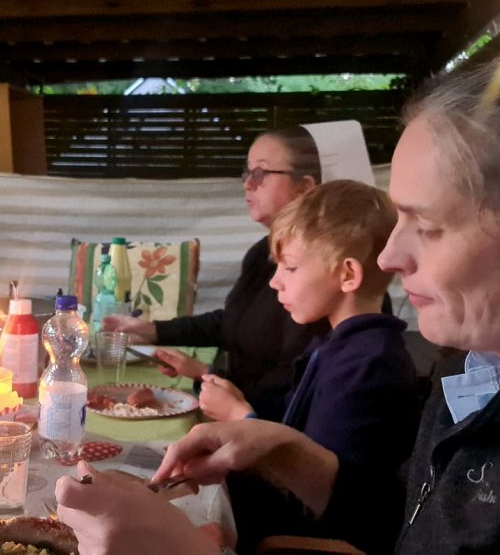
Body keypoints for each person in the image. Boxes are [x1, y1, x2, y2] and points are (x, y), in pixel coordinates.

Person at [56, 31, 500, 555]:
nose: (389, 257)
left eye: (429, 226)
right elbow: (406, 525)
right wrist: (283, 448)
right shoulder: (482, 371)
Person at [204, 179, 418, 552]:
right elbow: (295, 422)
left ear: (347, 275)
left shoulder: (367, 366)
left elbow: (320, 499)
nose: (275, 282)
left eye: (290, 268)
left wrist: (242, 418)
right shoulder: (338, 344)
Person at [105, 127, 331, 421]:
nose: (248, 184)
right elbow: (232, 320)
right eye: (247, 173)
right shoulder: (260, 253)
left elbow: (289, 389)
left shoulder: (319, 277)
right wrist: (152, 329)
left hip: (258, 428)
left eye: (261, 173)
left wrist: (206, 373)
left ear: (305, 187)